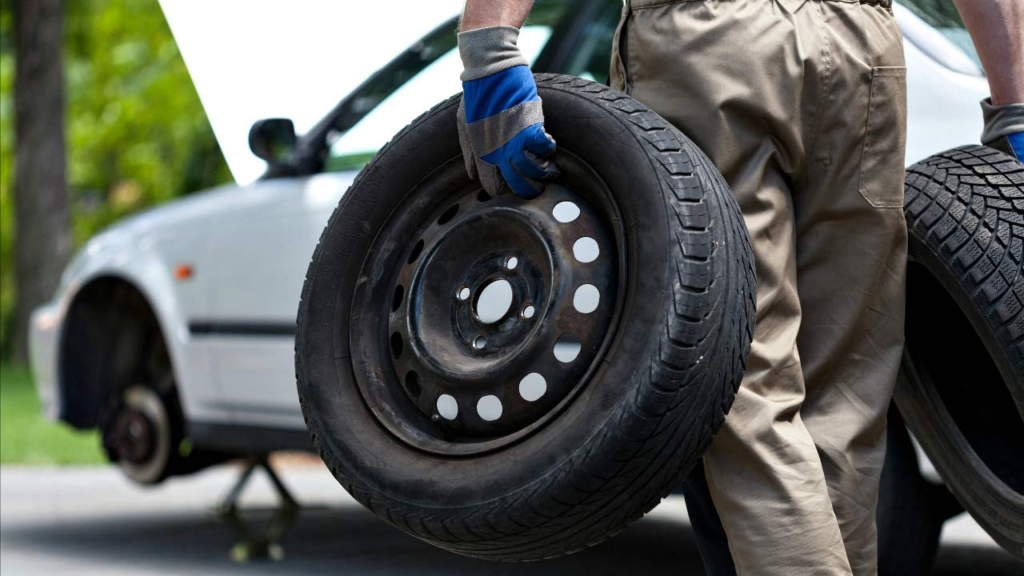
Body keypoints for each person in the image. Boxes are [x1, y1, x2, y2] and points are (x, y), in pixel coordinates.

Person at [455, 1, 1022, 574]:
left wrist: (489, 46)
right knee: (845, 395)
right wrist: (1014, 104)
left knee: (737, 383)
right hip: (861, 47)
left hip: (712, 42)